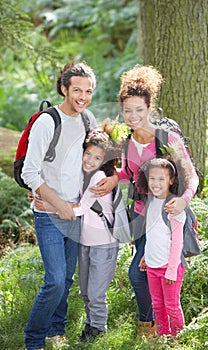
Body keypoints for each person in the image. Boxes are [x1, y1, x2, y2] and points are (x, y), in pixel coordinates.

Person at [92, 65, 199, 338]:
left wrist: (184, 202)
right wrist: (116, 179)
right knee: (146, 273)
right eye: (127, 110)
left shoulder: (167, 138)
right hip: (141, 218)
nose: (133, 116)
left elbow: (191, 176)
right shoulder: (127, 142)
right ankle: (156, 328)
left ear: (150, 108)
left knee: (140, 274)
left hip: (167, 218)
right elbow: (131, 173)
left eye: (139, 110)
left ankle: (152, 326)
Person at [21, 62, 117, 350]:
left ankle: (56, 330)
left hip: (76, 215)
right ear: (64, 89)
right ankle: (34, 340)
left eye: (88, 91)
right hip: (50, 215)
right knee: (55, 280)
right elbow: (29, 172)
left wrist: (112, 180)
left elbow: (100, 157)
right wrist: (56, 202)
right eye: (77, 90)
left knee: (68, 277)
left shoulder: (88, 119)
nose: (83, 96)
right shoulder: (47, 121)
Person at [34, 129, 121, 342]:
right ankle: (90, 327)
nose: (90, 160)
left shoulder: (99, 177)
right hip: (86, 242)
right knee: (85, 292)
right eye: (88, 154)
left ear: (105, 161)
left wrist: (49, 206)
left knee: (95, 294)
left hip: (104, 244)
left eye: (97, 157)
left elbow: (81, 208)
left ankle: (98, 330)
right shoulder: (83, 174)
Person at [138, 157, 186, 336]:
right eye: (152, 178)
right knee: (157, 305)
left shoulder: (174, 206)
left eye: (161, 179)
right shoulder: (150, 202)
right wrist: (145, 255)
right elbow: (152, 234)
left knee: (172, 306)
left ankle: (178, 340)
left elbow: (178, 241)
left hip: (169, 267)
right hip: (152, 265)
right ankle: (163, 338)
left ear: (171, 180)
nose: (156, 183)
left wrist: (172, 269)